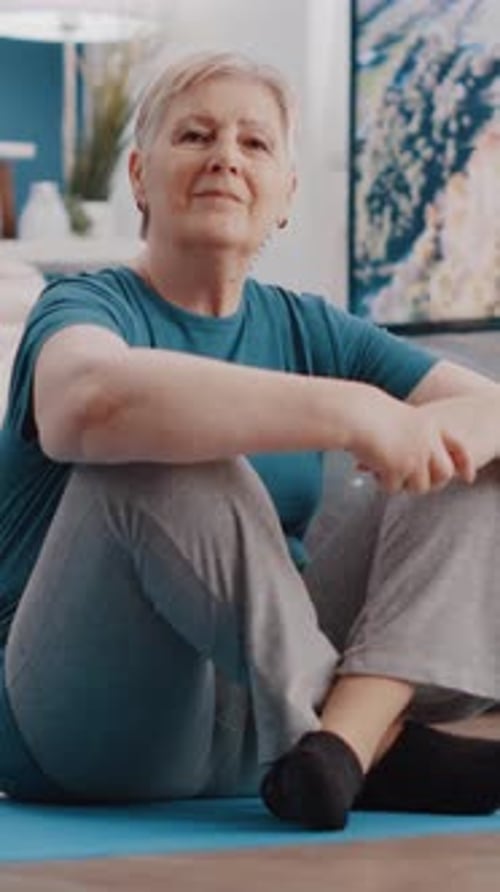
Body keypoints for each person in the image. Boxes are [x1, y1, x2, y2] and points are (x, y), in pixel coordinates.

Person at [1, 50, 500, 831]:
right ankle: (375, 747)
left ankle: (345, 744)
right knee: (157, 455)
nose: (226, 157)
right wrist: (352, 412)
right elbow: (87, 402)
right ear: (139, 177)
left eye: (255, 142)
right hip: (84, 727)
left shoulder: (307, 324)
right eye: (195, 135)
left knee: (473, 465)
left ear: (286, 194)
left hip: (259, 729)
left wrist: (427, 434)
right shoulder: (83, 305)